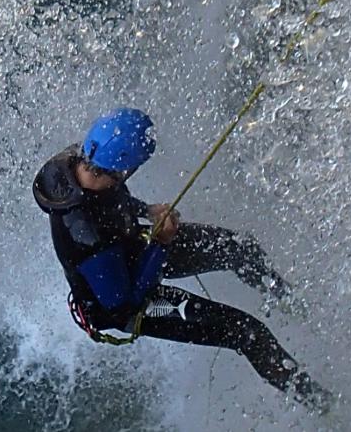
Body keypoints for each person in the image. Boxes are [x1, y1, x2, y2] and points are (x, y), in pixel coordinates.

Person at [33, 107, 332, 413]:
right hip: (125, 299)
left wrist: (146, 210)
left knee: (239, 247)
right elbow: (127, 302)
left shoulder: (82, 163)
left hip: (133, 250)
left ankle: (298, 308)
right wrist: (161, 245)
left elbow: (113, 199)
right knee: (247, 332)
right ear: (122, 169)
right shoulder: (85, 235)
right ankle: (324, 405)